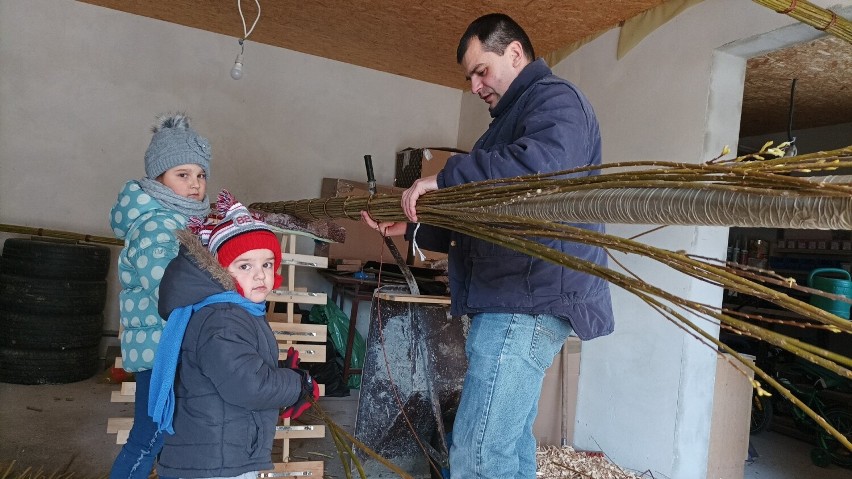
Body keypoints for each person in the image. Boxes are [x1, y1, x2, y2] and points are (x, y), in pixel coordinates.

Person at [361, 13, 614, 479]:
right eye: (469, 78)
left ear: (515, 53)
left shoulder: (555, 101)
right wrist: (413, 227)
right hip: (512, 299)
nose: (475, 86)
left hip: (527, 300)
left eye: (482, 71)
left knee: (478, 453)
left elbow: (539, 171)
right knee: (506, 446)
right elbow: (481, 219)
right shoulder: (503, 127)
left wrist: (444, 179)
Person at [148, 192, 319, 479]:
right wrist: (297, 383)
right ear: (219, 271)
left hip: (217, 452)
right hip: (216, 463)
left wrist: (277, 374)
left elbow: (237, 370)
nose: (260, 275)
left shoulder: (234, 310)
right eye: (245, 265)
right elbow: (248, 386)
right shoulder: (223, 318)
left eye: (266, 264)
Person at [109, 112, 213, 479]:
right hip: (160, 351)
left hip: (172, 346)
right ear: (158, 178)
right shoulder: (157, 225)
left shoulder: (180, 222)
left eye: (200, 175)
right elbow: (170, 288)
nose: (195, 184)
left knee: (169, 436)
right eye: (182, 175)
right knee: (148, 438)